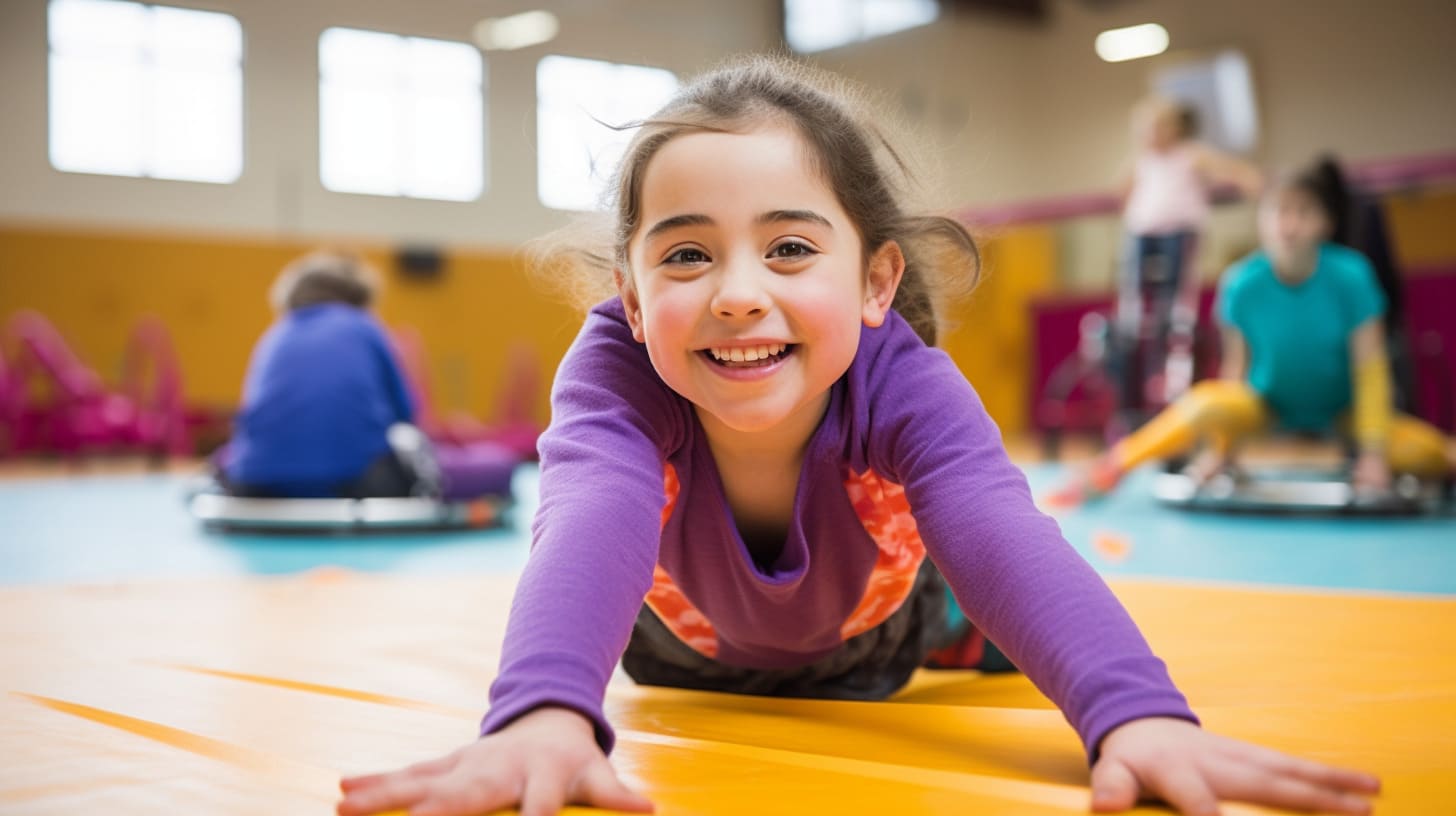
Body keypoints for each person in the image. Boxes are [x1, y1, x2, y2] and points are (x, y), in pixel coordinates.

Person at [337, 57, 1380, 816]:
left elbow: (990, 519)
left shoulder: (903, 383)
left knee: (977, 578)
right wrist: (543, 712)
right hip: (681, 655)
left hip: (879, 640)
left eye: (789, 247)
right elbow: (588, 512)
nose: (739, 295)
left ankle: (968, 629)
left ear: (875, 279)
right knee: (610, 533)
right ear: (629, 290)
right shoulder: (613, 369)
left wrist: (1134, 715)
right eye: (687, 256)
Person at [1052, 158, 1456, 505]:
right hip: (1269, 407)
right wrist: (1220, 449)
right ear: (1262, 219)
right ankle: (1111, 467)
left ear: (1325, 222)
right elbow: (1235, 380)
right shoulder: (1242, 284)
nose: (1290, 224)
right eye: (1279, 212)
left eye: (1303, 212)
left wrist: (1373, 454)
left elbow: (1370, 373)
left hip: (1342, 410)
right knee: (1204, 403)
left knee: (1428, 454)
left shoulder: (1352, 276)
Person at [218, 251, 517, 501]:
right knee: (497, 464)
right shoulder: (364, 326)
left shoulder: (275, 334)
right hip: (354, 480)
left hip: (259, 482)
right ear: (360, 296)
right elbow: (406, 415)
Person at [1112, 97, 1263, 433]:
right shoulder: (1142, 162)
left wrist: (1253, 183)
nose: (1151, 134)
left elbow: (1234, 170)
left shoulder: (1191, 154)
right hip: (1143, 232)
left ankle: (1171, 318)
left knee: (1174, 296)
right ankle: (1135, 316)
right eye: (1145, 128)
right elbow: (1122, 188)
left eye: (1158, 126)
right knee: (1134, 288)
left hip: (1179, 232)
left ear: (1176, 128)